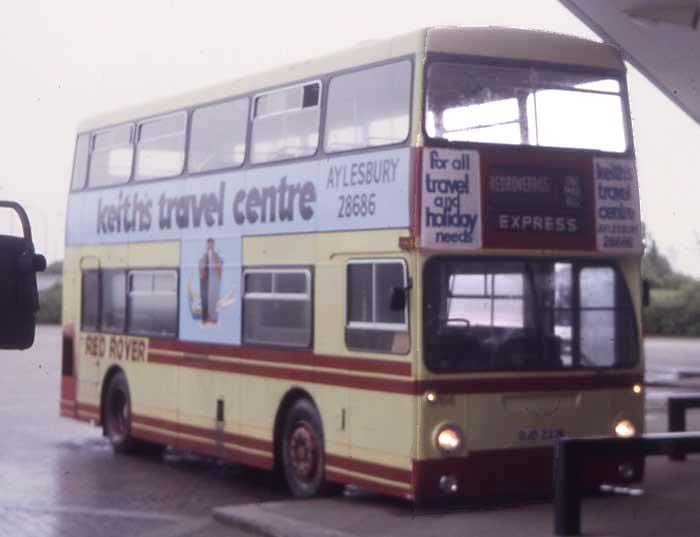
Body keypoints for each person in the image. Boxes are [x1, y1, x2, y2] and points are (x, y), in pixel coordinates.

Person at [198, 238, 223, 323]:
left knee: (214, 299)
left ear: (214, 245)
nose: (210, 246)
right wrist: (202, 273)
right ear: (206, 245)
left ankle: (213, 317)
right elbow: (199, 269)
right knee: (204, 299)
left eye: (211, 244)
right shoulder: (203, 256)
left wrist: (215, 261)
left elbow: (220, 269)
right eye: (208, 244)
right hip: (204, 281)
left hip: (214, 281)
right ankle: (205, 317)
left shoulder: (217, 256)